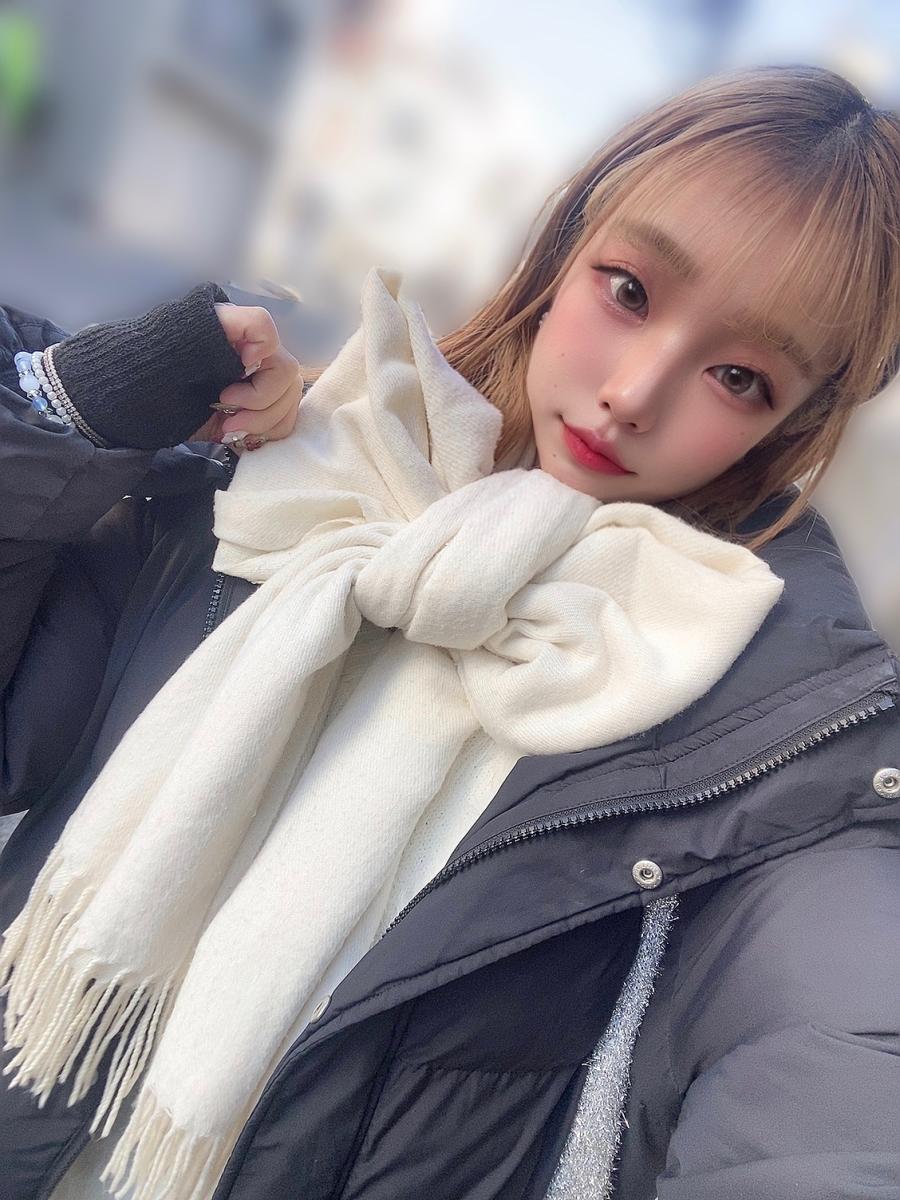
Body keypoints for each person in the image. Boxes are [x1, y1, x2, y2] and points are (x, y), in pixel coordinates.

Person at [1, 62, 899, 1200]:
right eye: (628, 290)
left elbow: (832, 1063)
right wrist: (71, 418)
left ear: (791, 427)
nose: (634, 393)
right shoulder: (294, 477)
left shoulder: (745, 719)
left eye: (738, 376)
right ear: (564, 248)